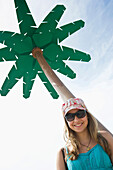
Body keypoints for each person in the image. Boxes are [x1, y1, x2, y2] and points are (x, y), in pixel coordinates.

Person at [56, 98, 113, 170]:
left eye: (80, 114)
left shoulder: (106, 138)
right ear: (66, 122)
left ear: (87, 115)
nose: (76, 120)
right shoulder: (62, 153)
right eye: (70, 117)